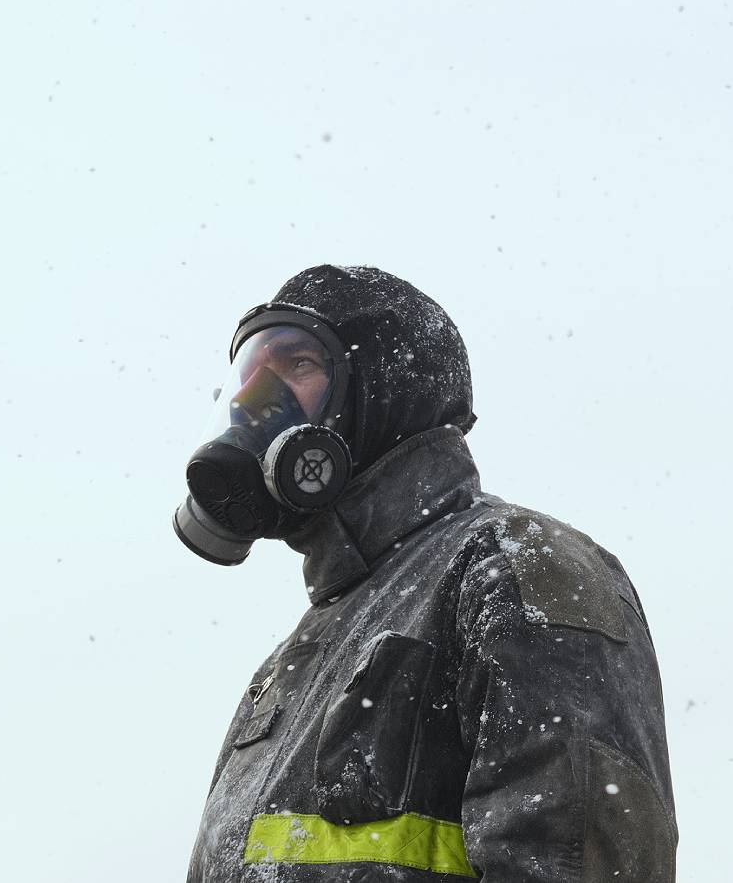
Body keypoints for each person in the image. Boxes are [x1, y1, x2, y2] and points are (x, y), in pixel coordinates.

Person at [175, 264, 676, 882]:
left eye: (297, 366)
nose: (254, 406)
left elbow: (575, 861)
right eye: (247, 379)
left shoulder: (515, 567)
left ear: (387, 393)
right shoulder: (299, 656)